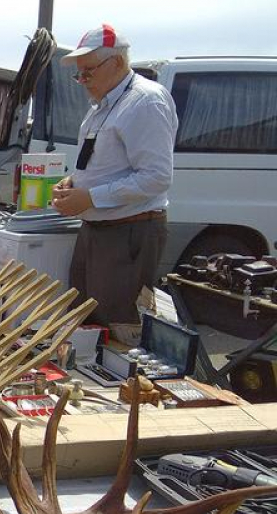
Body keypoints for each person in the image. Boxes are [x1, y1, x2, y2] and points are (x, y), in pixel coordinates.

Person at [51, 24, 177, 326]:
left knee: (116, 326)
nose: (82, 81)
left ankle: (125, 376)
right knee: (83, 321)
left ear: (118, 62)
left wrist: (89, 196)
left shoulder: (146, 101)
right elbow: (95, 163)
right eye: (79, 73)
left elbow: (157, 177)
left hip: (128, 231)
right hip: (97, 228)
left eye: (88, 71)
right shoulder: (101, 106)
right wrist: (71, 183)